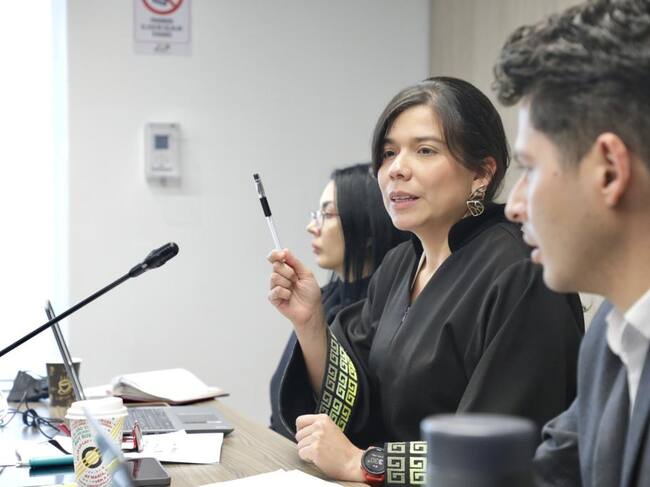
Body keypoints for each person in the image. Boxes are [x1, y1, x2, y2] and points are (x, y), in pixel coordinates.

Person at [268, 77, 584, 485]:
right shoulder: (400, 263)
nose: (396, 169)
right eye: (389, 153)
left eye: (425, 150)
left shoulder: (519, 270)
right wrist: (311, 323)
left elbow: (498, 452)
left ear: (481, 173)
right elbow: (356, 402)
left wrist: (366, 462)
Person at [494, 0, 650, 485]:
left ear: (609, 171)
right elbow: (550, 476)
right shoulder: (612, 331)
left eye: (529, 168)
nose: (515, 205)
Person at [270, 163, 409, 439]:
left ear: (367, 228)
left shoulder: (386, 314)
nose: (312, 227)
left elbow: (354, 420)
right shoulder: (323, 299)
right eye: (317, 215)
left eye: (327, 214)